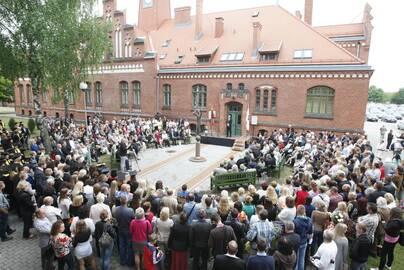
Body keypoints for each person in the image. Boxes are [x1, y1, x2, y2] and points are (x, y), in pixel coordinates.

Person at [114, 196, 135, 266]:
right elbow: (133, 220)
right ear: (126, 201)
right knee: (129, 246)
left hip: (120, 229)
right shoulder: (130, 210)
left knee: (122, 246)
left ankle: (122, 261)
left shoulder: (116, 209)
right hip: (128, 230)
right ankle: (129, 262)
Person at [293, 205, 313, 270]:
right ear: (304, 211)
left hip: (297, 242)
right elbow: (310, 233)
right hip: (304, 241)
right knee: (302, 258)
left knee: (296, 259)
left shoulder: (295, 221)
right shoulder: (309, 220)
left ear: (297, 211)